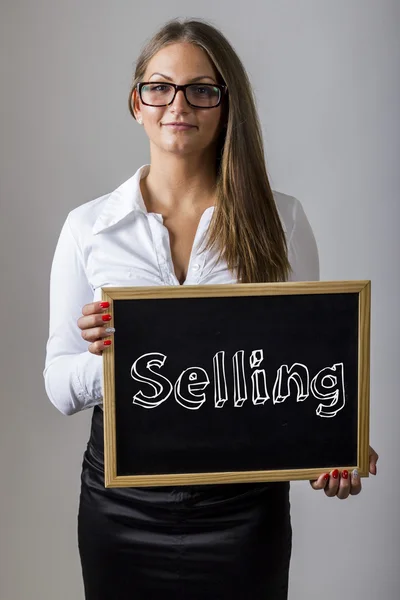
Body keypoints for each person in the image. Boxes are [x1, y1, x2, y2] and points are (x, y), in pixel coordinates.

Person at [43, 17, 378, 600]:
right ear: (136, 103)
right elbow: (57, 383)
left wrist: (335, 443)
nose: (178, 104)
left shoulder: (282, 219)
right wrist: (113, 359)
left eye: (202, 89)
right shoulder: (88, 228)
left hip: (244, 511)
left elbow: (306, 371)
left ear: (227, 106)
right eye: (160, 87)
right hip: (120, 507)